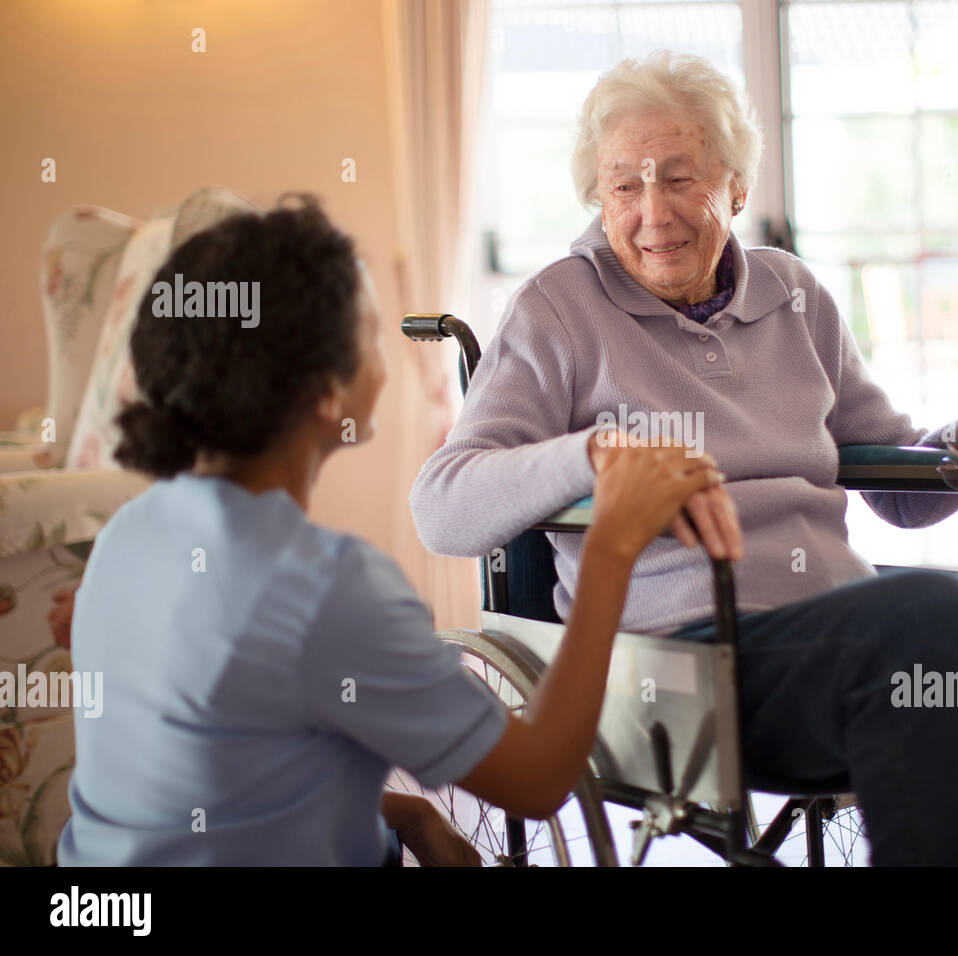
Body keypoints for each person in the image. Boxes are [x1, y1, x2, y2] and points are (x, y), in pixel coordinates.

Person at [410, 51, 958, 865]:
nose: (653, 213)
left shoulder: (794, 295)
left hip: (841, 623)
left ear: (736, 186)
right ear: (599, 196)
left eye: (681, 179)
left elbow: (892, 477)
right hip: (677, 657)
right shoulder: (559, 310)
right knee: (934, 620)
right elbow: (442, 505)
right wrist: (592, 455)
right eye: (625, 186)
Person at [57, 195, 722, 866]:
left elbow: (219, 763)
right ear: (326, 391)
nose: (386, 351)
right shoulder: (325, 587)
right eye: (372, 330)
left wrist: (405, 813)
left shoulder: (128, 536)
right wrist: (611, 547)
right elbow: (540, 778)